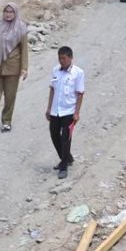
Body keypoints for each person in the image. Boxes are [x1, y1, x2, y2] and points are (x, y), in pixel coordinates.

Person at [0, 3, 29, 133]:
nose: (8, 14)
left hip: (13, 67)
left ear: (15, 13)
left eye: (11, 12)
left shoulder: (21, 27)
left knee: (10, 96)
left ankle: (6, 121)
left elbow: (24, 49)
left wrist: (24, 68)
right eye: (6, 11)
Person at [45, 46, 85, 180]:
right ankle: (67, 158)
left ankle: (63, 166)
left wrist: (77, 113)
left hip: (69, 111)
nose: (61, 61)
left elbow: (80, 93)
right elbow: (52, 89)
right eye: (59, 58)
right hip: (55, 111)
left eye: (64, 58)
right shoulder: (56, 70)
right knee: (54, 135)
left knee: (65, 138)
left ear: (70, 58)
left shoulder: (78, 73)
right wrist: (49, 108)